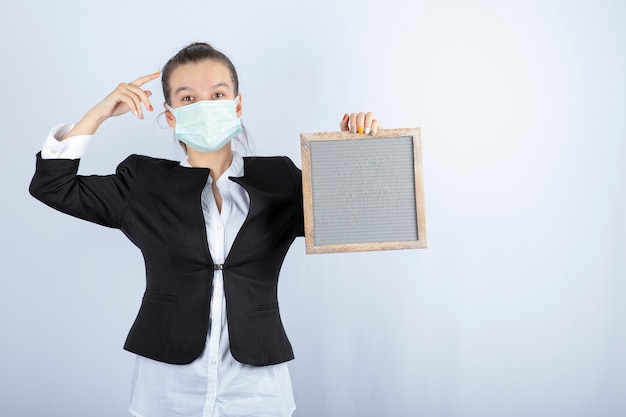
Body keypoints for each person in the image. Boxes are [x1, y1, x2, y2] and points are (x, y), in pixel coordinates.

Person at [29, 42, 382, 417]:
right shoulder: (143, 183)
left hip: (257, 384)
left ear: (237, 105)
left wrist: (358, 147)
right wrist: (98, 113)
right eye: (187, 98)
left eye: (217, 94)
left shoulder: (280, 179)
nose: (205, 106)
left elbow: (361, 219)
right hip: (166, 383)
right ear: (170, 116)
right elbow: (52, 186)